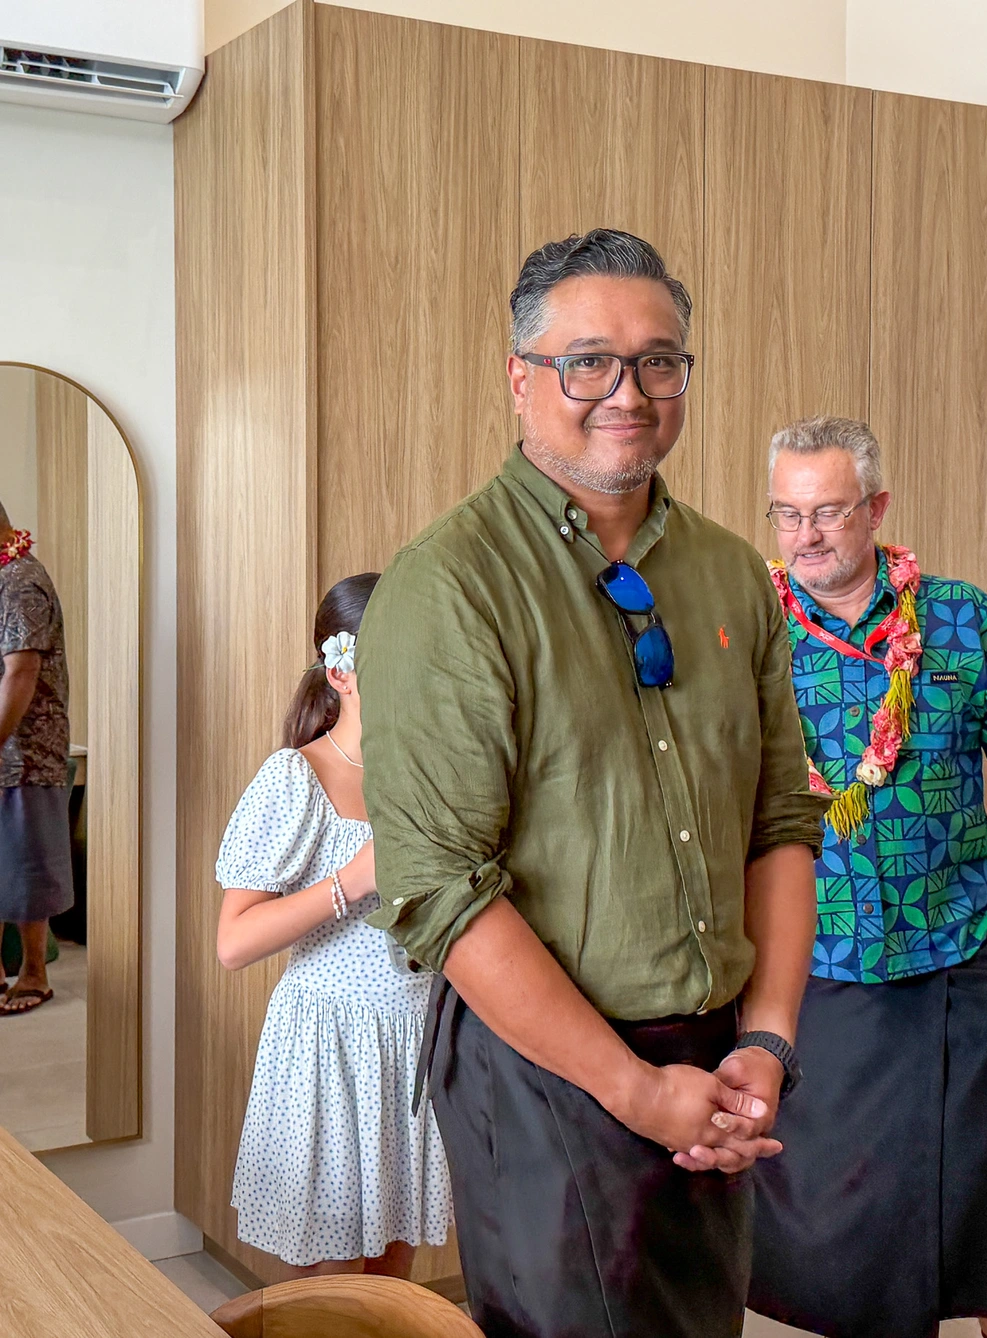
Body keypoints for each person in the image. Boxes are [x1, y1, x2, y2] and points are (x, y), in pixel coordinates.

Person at [356, 228, 828, 1338]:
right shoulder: (450, 585)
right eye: (588, 362)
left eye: (659, 361)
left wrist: (765, 1041)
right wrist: (634, 1089)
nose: (629, 392)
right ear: (520, 378)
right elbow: (441, 891)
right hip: (546, 1070)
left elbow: (780, 820)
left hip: (714, 1055)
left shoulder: (729, 572)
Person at [749, 416, 987, 1338]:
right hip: (818, 963)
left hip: (962, 952)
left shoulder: (964, 618)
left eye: (828, 511)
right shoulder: (750, 631)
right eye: (787, 514)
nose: (806, 535)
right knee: (854, 1226)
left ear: (877, 508)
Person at [215, 573, 451, 1276]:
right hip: (329, 1049)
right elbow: (234, 941)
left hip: (413, 1042)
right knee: (330, 1292)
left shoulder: (433, 776)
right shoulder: (296, 778)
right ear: (341, 671)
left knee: (390, 1284)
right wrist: (354, 880)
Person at [0, 502, 72, 1017]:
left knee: (27, 868)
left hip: (24, 755)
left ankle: (33, 973)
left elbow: (20, 672)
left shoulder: (21, 580)